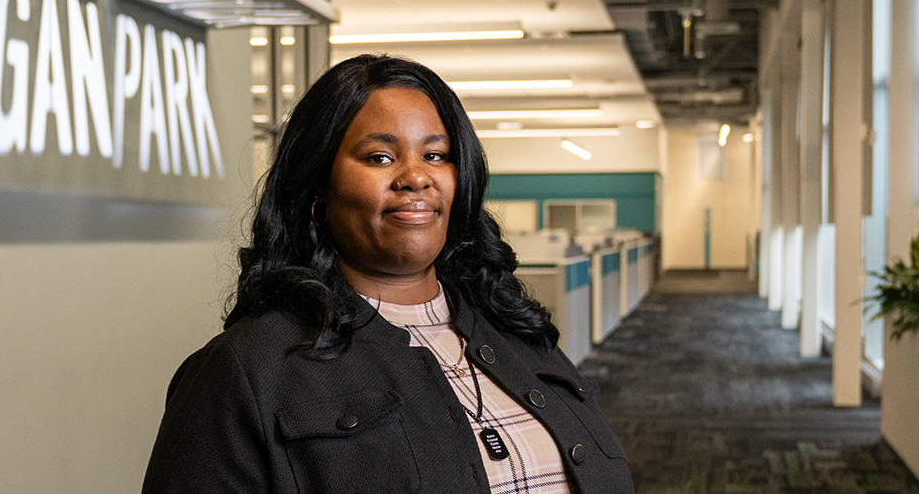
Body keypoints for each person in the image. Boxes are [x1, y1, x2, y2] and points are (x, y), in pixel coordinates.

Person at [142, 54, 633, 493]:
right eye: (379, 157)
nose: (416, 176)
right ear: (318, 186)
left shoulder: (516, 333)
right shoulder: (246, 370)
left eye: (436, 155)